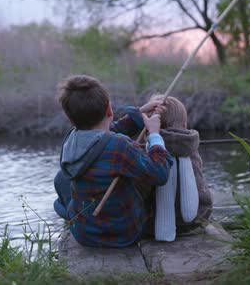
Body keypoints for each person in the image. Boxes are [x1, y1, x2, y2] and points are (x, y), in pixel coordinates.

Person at [52, 75, 173, 248]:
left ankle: (72, 216)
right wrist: (154, 135)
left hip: (84, 234)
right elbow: (160, 173)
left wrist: (138, 114)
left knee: (61, 192)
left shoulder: (71, 140)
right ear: (109, 109)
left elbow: (103, 136)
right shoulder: (119, 146)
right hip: (123, 234)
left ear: (71, 119)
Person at [149, 95, 213, 241]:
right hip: (195, 223)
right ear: (184, 125)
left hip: (153, 227)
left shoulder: (150, 149)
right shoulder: (191, 148)